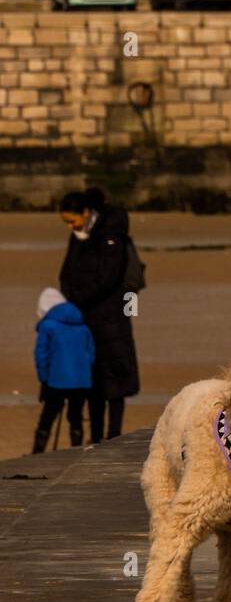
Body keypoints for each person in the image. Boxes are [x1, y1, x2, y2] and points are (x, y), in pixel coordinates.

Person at [58, 187, 140, 442]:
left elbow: (109, 278)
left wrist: (78, 299)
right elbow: (66, 272)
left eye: (72, 220)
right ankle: (95, 438)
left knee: (115, 382)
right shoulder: (79, 236)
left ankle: (112, 436)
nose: (70, 226)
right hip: (86, 319)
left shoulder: (112, 236)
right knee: (92, 382)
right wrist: (71, 299)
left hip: (112, 318)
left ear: (85, 212)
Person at [32, 287, 95, 452]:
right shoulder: (82, 326)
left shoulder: (47, 326)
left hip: (57, 380)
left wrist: (44, 379)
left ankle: (37, 453)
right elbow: (90, 355)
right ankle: (76, 452)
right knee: (76, 418)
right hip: (81, 381)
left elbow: (41, 356)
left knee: (48, 417)